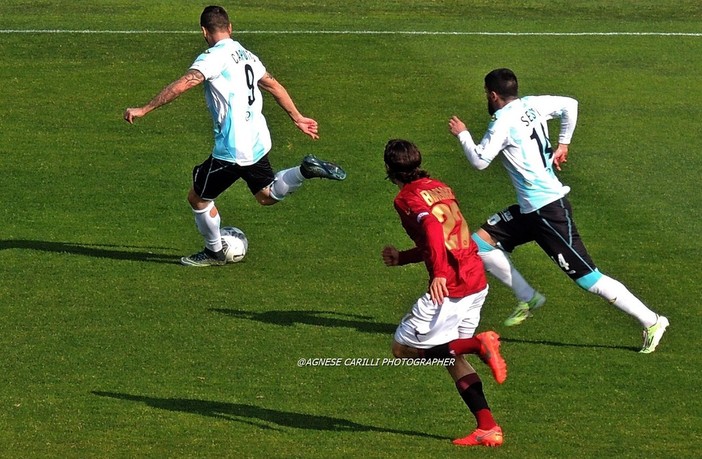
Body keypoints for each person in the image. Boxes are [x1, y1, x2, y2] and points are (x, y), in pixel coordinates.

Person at [448, 68, 669, 353]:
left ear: (492, 95)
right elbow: (570, 105)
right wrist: (564, 142)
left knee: (590, 279)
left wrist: (463, 134)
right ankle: (528, 297)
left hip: (547, 212)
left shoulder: (502, 121)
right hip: (531, 209)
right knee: (479, 243)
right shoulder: (532, 104)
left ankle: (652, 321)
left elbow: (480, 161)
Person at [124, 5, 346, 266]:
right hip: (257, 140)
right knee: (265, 196)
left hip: (231, 148)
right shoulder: (247, 55)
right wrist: (297, 117)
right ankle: (303, 171)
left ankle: (214, 252)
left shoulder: (213, 57)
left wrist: (145, 108)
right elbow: (273, 85)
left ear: (204, 31)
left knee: (198, 198)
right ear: (230, 28)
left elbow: (186, 82)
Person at [381, 139, 507, 447]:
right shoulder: (440, 187)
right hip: (475, 279)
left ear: (389, 168)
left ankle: (478, 344)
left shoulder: (406, 198)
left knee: (402, 349)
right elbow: (447, 235)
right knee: (452, 356)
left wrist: (438, 274)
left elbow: (435, 231)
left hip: (452, 286)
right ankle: (487, 427)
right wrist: (405, 257)